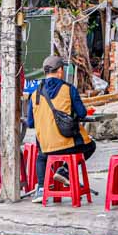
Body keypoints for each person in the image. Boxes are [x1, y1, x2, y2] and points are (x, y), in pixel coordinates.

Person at [26, 55, 96, 203]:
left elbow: (30, 123)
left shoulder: (34, 94)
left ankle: (41, 189)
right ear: (60, 71)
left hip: (46, 147)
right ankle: (64, 170)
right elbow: (82, 113)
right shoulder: (69, 89)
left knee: (41, 156)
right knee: (90, 146)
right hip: (67, 145)